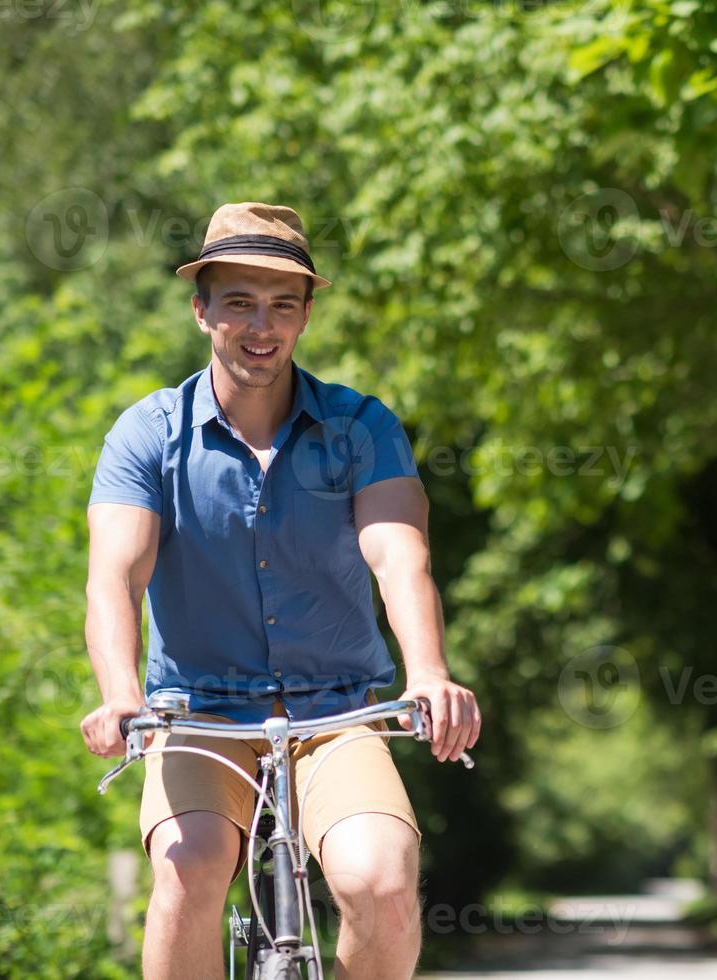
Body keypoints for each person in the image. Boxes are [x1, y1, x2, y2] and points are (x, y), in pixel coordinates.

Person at [78, 202, 480, 980]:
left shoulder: (360, 427)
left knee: (382, 881)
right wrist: (120, 691)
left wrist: (427, 672)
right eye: (239, 302)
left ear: (304, 317)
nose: (260, 326)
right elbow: (116, 573)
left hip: (337, 712)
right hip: (199, 712)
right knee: (188, 871)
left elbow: (399, 556)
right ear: (202, 310)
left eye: (282, 306)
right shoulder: (147, 434)